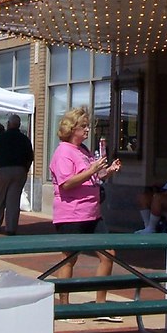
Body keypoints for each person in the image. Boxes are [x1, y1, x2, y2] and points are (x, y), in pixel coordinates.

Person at [50, 107, 122, 318]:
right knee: (69, 259)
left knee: (109, 254)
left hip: (93, 213)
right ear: (72, 129)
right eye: (83, 126)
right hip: (71, 214)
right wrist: (91, 170)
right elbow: (66, 184)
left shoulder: (84, 150)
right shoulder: (63, 152)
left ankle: (101, 306)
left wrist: (107, 172)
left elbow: (94, 178)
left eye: (87, 126)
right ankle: (64, 308)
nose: (87, 130)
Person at [0, 114, 34, 235]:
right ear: (19, 125)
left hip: (3, 169)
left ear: (8, 124)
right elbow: (30, 157)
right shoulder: (25, 139)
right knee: (13, 200)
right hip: (20, 170)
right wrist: (26, 169)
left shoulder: (1, 137)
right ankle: (11, 228)